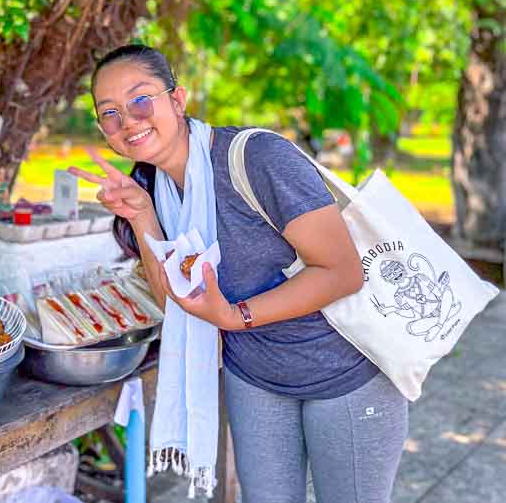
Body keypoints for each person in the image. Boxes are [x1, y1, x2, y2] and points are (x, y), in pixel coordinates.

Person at [69, 44, 407, 503]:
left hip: (343, 376)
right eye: (109, 112)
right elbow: (177, 302)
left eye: (140, 100)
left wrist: (233, 316)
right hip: (257, 381)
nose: (127, 120)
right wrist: (142, 216)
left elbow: (343, 272)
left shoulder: (256, 158)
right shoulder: (155, 188)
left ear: (177, 99)